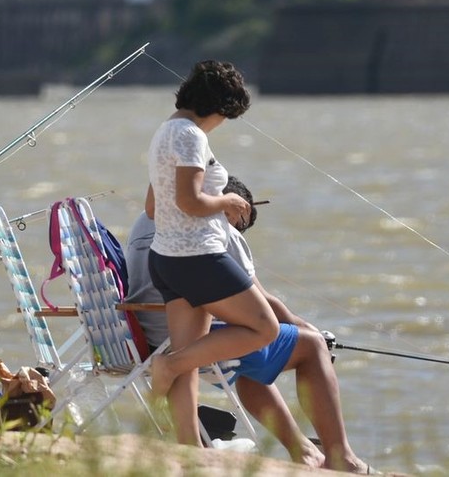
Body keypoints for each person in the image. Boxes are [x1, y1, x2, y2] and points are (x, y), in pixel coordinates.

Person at [127, 177, 370, 473]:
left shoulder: (147, 219)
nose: (236, 229)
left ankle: (304, 450)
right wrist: (310, 331)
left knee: (259, 356)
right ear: (230, 202)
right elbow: (264, 301)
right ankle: (340, 456)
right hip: (188, 337)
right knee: (310, 347)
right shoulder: (215, 228)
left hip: (143, 336)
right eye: (239, 222)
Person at [146, 60, 279, 447]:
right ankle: (165, 364)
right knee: (263, 327)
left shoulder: (164, 131)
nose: (221, 123)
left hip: (165, 257)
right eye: (225, 115)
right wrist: (227, 200)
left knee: (189, 353)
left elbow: (153, 207)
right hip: (197, 256)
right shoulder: (191, 135)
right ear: (217, 107)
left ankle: (188, 445)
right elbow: (190, 201)